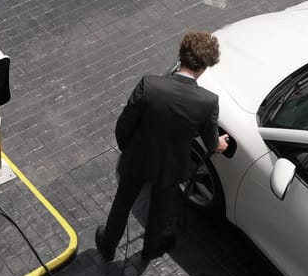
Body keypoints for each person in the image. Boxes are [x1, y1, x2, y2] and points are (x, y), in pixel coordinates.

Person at [95, 31, 229, 262]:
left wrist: (129, 149)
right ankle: (150, 250)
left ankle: (108, 246)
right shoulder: (208, 102)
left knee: (122, 202)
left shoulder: (149, 84)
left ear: (181, 55)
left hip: (138, 157)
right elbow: (210, 142)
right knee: (160, 210)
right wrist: (220, 143)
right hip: (172, 165)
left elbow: (124, 125)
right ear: (205, 67)